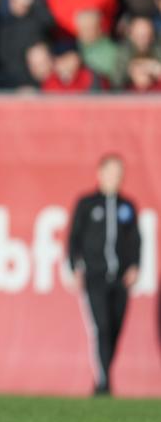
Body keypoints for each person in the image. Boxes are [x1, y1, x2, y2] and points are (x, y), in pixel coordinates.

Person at [68, 154, 141, 396]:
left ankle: (105, 375)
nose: (116, 177)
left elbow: (135, 240)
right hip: (95, 277)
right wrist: (74, 266)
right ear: (100, 173)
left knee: (115, 328)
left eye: (119, 172)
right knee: (101, 327)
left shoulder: (127, 207)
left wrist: (134, 265)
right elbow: (74, 238)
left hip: (119, 279)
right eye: (111, 171)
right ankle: (103, 383)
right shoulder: (87, 204)